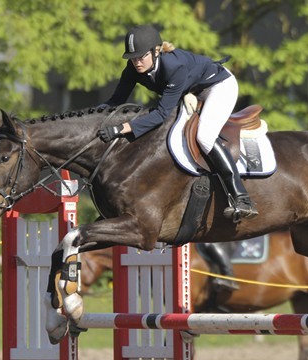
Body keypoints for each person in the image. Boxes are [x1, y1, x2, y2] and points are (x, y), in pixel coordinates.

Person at [97, 24, 257, 221]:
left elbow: (162, 113)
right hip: (191, 89)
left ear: (156, 51)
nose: (136, 63)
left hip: (218, 86)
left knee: (204, 136)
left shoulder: (174, 67)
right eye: (132, 58)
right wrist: (93, 115)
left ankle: (241, 197)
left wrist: (123, 128)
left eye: (141, 57)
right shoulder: (132, 69)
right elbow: (116, 101)